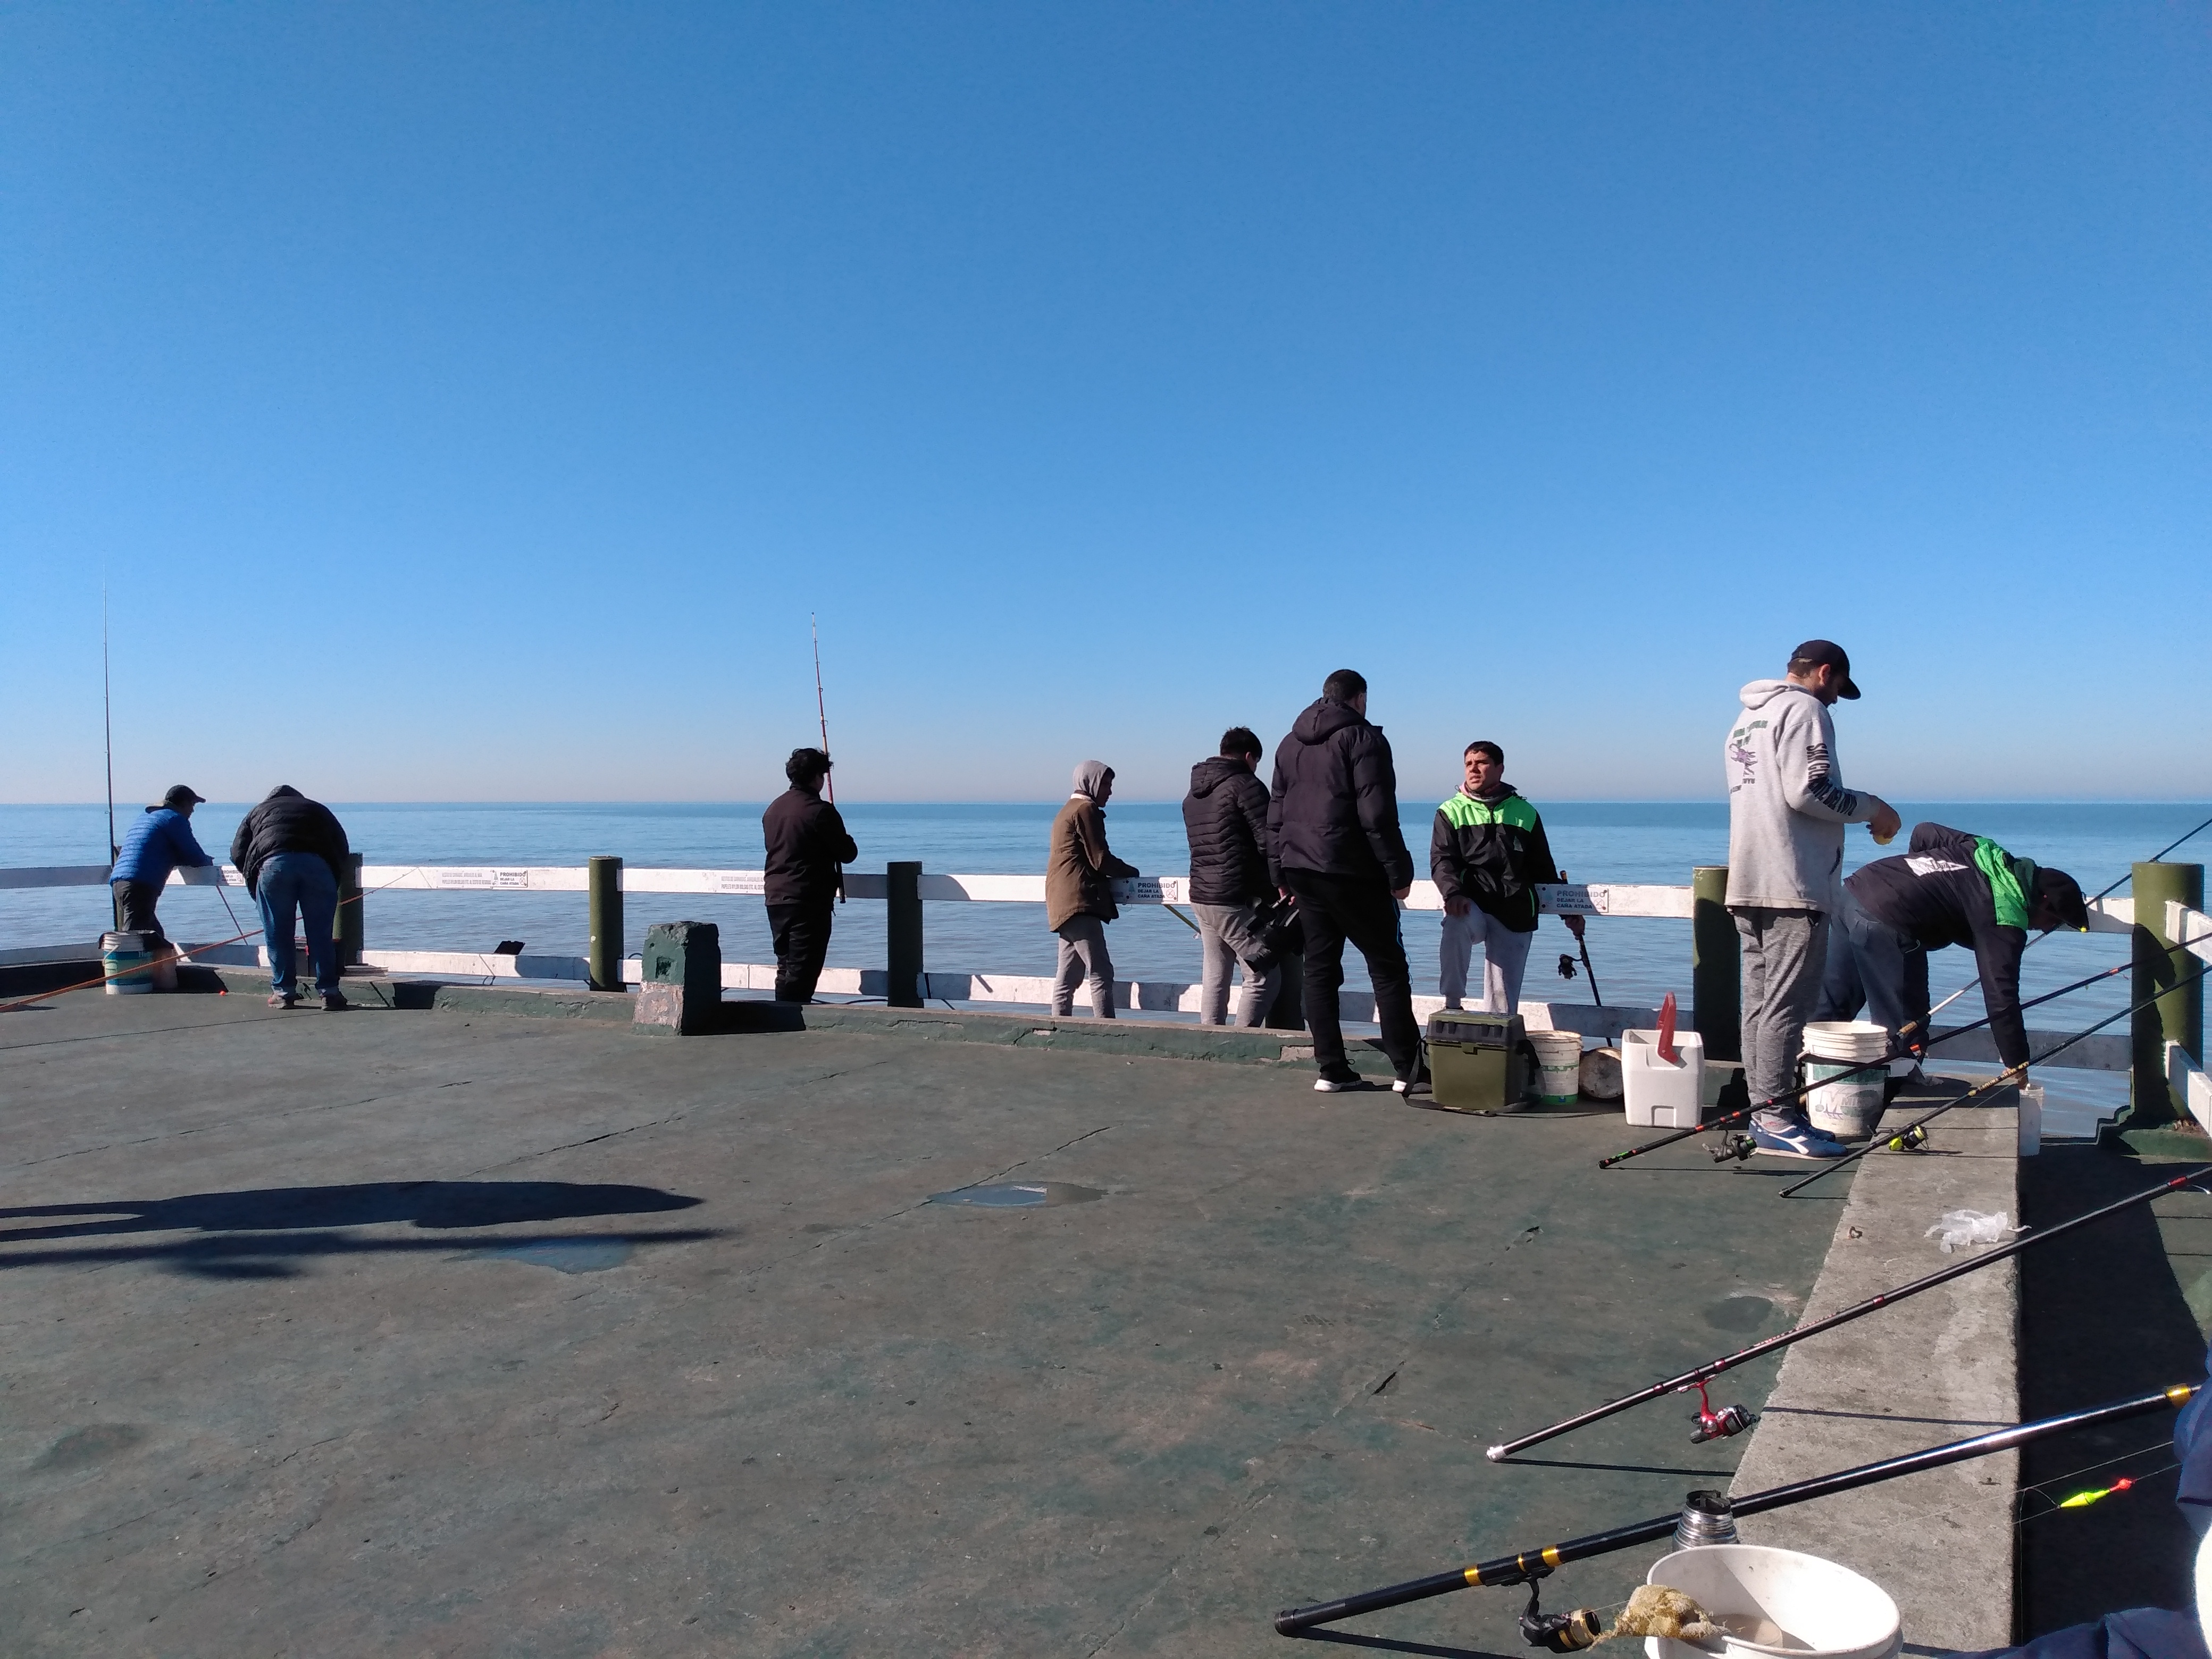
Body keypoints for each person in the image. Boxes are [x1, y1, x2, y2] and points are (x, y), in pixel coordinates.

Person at [1724, 640, 1902, 1158]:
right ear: (1824, 674)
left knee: (1757, 1005)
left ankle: (1764, 1111)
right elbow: (1810, 791)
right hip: (1792, 884)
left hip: (1747, 879)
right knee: (1786, 1007)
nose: (1835, 702)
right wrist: (1874, 810)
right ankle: (1777, 1117)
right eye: (1837, 691)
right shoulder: (1804, 710)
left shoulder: (1744, 719)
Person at [1817, 822, 2087, 1084]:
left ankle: (1798, 1091)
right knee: (1905, 1028)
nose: (2042, 929)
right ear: (2042, 901)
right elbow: (2001, 997)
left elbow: (1925, 832)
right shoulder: (2006, 914)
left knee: (1832, 1006)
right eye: (2052, 923)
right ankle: (1896, 1103)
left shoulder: (1984, 850)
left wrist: (1919, 888)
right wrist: (2017, 1063)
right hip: (1888, 922)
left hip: (1854, 891)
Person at [1268, 668, 1424, 1094]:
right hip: (1351, 869)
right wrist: (1399, 872)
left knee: (1319, 969)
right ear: (1360, 699)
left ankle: (1332, 1069)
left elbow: (1276, 812)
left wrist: (1277, 869)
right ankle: (1409, 1069)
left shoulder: (1289, 743)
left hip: (1302, 868)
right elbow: (1377, 814)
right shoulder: (1364, 739)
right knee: (1388, 966)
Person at [1430, 742, 1585, 1014]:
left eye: (1482, 763)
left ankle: (1497, 1046)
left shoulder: (1525, 813)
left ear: (1499, 769)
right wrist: (1452, 893)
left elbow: (1543, 869)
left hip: (1516, 910)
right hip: (1472, 904)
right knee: (1454, 926)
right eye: (1469, 764)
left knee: (1502, 999)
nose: (1474, 769)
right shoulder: (1450, 811)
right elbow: (1442, 861)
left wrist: (1569, 912)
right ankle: (1452, 1007)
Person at [1183, 726, 1283, 1026]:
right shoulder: (1247, 785)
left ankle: (1210, 1038)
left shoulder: (1194, 793)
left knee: (1216, 973)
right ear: (1250, 756)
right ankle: (1242, 1040)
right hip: (1233, 896)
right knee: (1263, 974)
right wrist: (1280, 882)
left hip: (1201, 895)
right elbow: (1269, 842)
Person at [230, 785, 353, 1010]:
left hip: (273, 866)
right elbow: (342, 846)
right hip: (318, 865)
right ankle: (330, 993)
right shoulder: (318, 809)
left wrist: (255, 876)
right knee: (321, 934)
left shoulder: (257, 811)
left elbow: (237, 851)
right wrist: (331, 873)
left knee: (277, 933)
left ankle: (284, 992)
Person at [762, 748, 858, 1004]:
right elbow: (847, 853)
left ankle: (781, 1017)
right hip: (807, 900)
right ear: (817, 777)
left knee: (786, 965)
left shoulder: (774, 809)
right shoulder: (820, 811)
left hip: (775, 896)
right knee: (803, 970)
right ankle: (788, 1022)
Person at [1048, 760, 1138, 1018]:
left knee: (1069, 974)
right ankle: (1106, 1028)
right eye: (1106, 784)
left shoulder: (1066, 810)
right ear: (1092, 783)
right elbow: (1101, 860)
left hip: (1060, 900)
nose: (1110, 791)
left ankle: (1059, 1025)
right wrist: (1133, 873)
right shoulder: (1086, 809)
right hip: (1080, 900)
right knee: (1101, 971)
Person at [108, 784, 216, 941]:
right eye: (192, 805)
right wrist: (207, 861)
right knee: (134, 940)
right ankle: (130, 965)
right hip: (140, 884)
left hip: (120, 881)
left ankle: (154, 965)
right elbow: (195, 856)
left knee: (155, 935)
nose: (193, 810)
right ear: (183, 804)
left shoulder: (147, 817)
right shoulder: (174, 819)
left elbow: (159, 849)